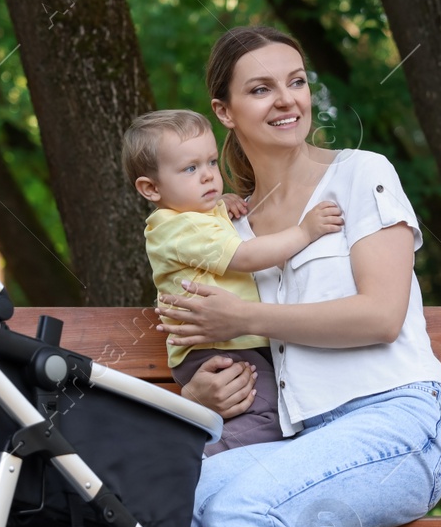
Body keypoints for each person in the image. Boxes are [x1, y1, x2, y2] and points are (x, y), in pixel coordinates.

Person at [156, 27, 441, 527]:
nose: (287, 99)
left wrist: (240, 320)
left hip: (400, 425)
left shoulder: (360, 176)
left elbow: (382, 315)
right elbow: (197, 344)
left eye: (296, 80)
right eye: (261, 88)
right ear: (225, 110)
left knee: (244, 504)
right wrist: (198, 392)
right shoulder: (235, 231)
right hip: (310, 444)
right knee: (170, 505)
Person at [122, 108, 344, 454]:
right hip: (217, 349)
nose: (209, 176)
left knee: (267, 411)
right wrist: (305, 231)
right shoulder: (177, 227)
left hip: (228, 344)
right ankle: (203, 462)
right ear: (151, 188)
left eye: (211, 162)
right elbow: (246, 256)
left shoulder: (192, 216)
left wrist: (221, 204)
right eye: (190, 169)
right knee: (267, 417)